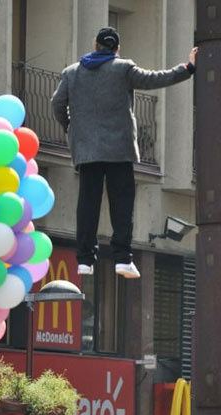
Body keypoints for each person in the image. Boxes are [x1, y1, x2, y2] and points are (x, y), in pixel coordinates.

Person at [52, 26, 197, 279]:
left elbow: (57, 104)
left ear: (95, 45)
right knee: (122, 204)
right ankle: (122, 259)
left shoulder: (71, 73)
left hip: (87, 150)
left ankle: (84, 261)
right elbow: (156, 79)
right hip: (119, 149)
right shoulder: (123, 69)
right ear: (116, 49)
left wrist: (71, 127)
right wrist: (188, 67)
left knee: (87, 204)